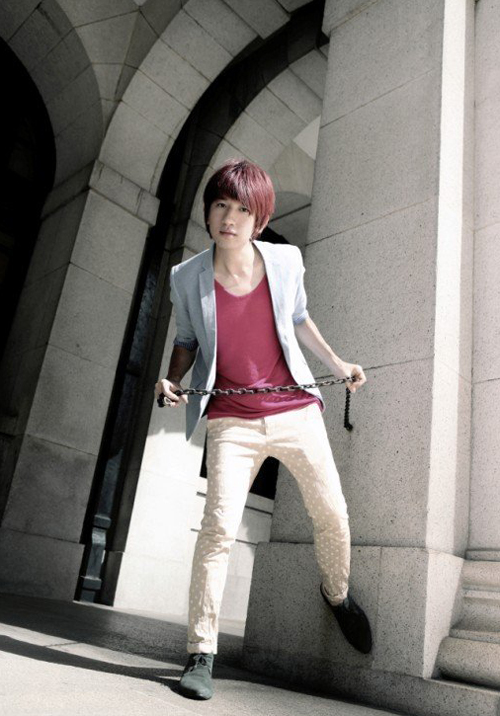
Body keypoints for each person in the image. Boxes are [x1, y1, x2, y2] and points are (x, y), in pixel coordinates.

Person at [154, 158, 372, 701]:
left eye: (242, 209)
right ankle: (200, 652)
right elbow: (186, 339)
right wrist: (171, 380)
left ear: (259, 219)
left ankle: (336, 594)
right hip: (232, 420)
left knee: (332, 511)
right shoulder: (187, 277)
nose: (229, 218)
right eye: (220, 205)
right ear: (208, 212)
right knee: (217, 530)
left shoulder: (285, 260)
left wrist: (339, 363)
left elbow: (299, 318)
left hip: (295, 408)